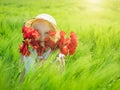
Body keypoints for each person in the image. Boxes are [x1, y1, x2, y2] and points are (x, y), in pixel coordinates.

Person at [19, 14, 78, 82]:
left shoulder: (57, 57)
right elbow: (21, 78)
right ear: (31, 32)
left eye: (46, 33)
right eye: (37, 32)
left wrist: (56, 69)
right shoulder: (26, 53)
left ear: (54, 34)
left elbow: (59, 81)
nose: (42, 37)